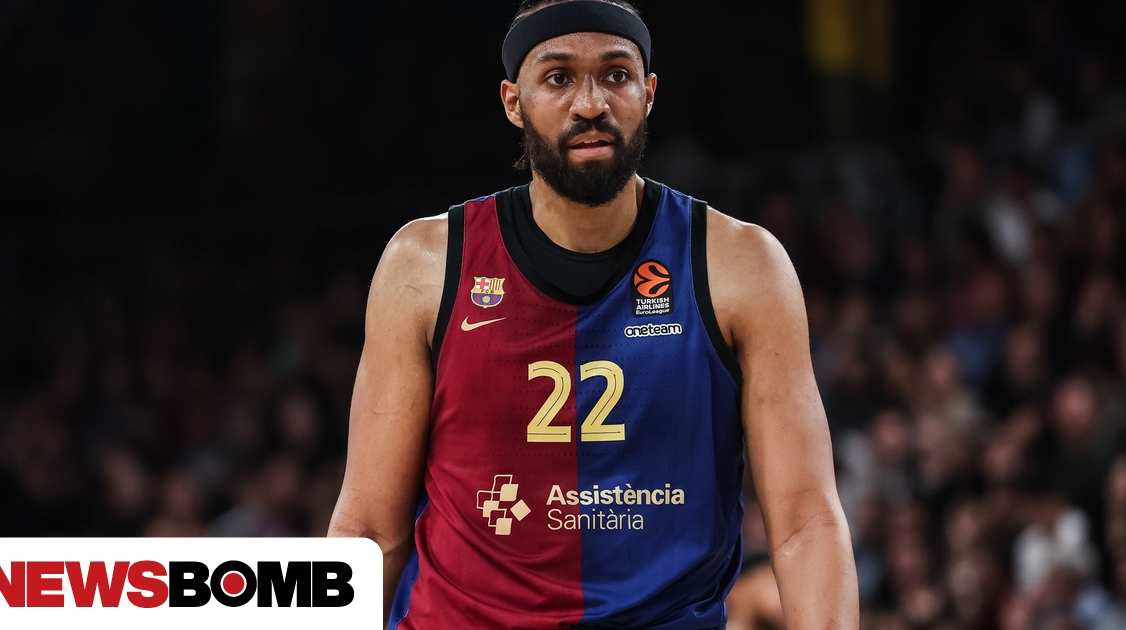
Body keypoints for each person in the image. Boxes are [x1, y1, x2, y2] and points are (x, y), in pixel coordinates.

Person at [327, 1, 859, 628]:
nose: (590, 104)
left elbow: (806, 522)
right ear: (513, 102)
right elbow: (369, 530)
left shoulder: (742, 265)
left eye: (615, 75)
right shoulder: (424, 264)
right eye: (558, 78)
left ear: (648, 93)